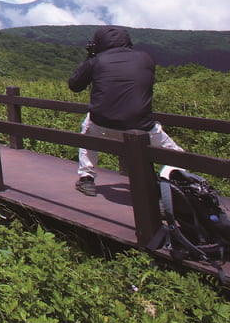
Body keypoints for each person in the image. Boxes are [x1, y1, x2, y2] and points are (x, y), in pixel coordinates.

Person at [68, 25, 183, 197]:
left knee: (88, 128)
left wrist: (90, 56)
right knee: (177, 155)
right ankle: (164, 187)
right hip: (141, 127)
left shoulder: (96, 60)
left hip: (102, 125)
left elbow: (75, 85)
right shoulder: (146, 58)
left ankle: (86, 178)